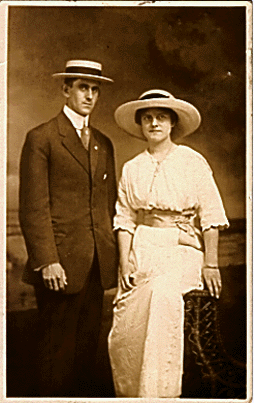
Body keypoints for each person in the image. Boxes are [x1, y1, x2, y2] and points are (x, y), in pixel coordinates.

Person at [108, 89, 229, 398]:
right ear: (140, 125)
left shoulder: (192, 161)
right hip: (142, 250)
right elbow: (124, 219)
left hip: (181, 250)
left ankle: (159, 394)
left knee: (160, 295)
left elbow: (212, 215)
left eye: (161, 117)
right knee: (125, 325)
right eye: (147, 118)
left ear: (173, 123)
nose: (154, 123)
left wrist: (211, 263)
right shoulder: (132, 167)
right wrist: (124, 262)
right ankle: (131, 394)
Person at [19, 60, 118, 397]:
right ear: (65, 90)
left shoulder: (103, 143)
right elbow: (34, 207)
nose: (89, 96)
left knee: (87, 351)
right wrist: (47, 260)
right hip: (58, 266)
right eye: (82, 87)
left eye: (95, 89)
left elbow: (109, 206)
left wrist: (113, 259)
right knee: (54, 354)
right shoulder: (42, 138)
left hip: (96, 266)